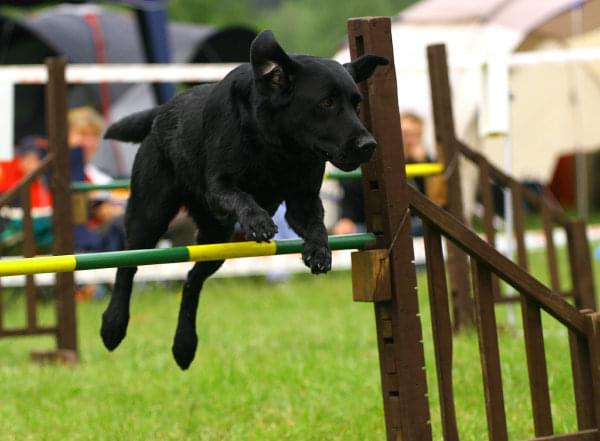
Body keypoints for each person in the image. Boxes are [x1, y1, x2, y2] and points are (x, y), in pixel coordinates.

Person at [333, 112, 432, 236]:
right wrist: (347, 218)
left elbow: (432, 202)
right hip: (369, 223)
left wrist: (424, 163)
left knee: (426, 226)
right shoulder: (377, 155)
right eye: (405, 134)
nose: (409, 141)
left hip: (410, 224)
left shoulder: (424, 162)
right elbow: (352, 191)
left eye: (415, 136)